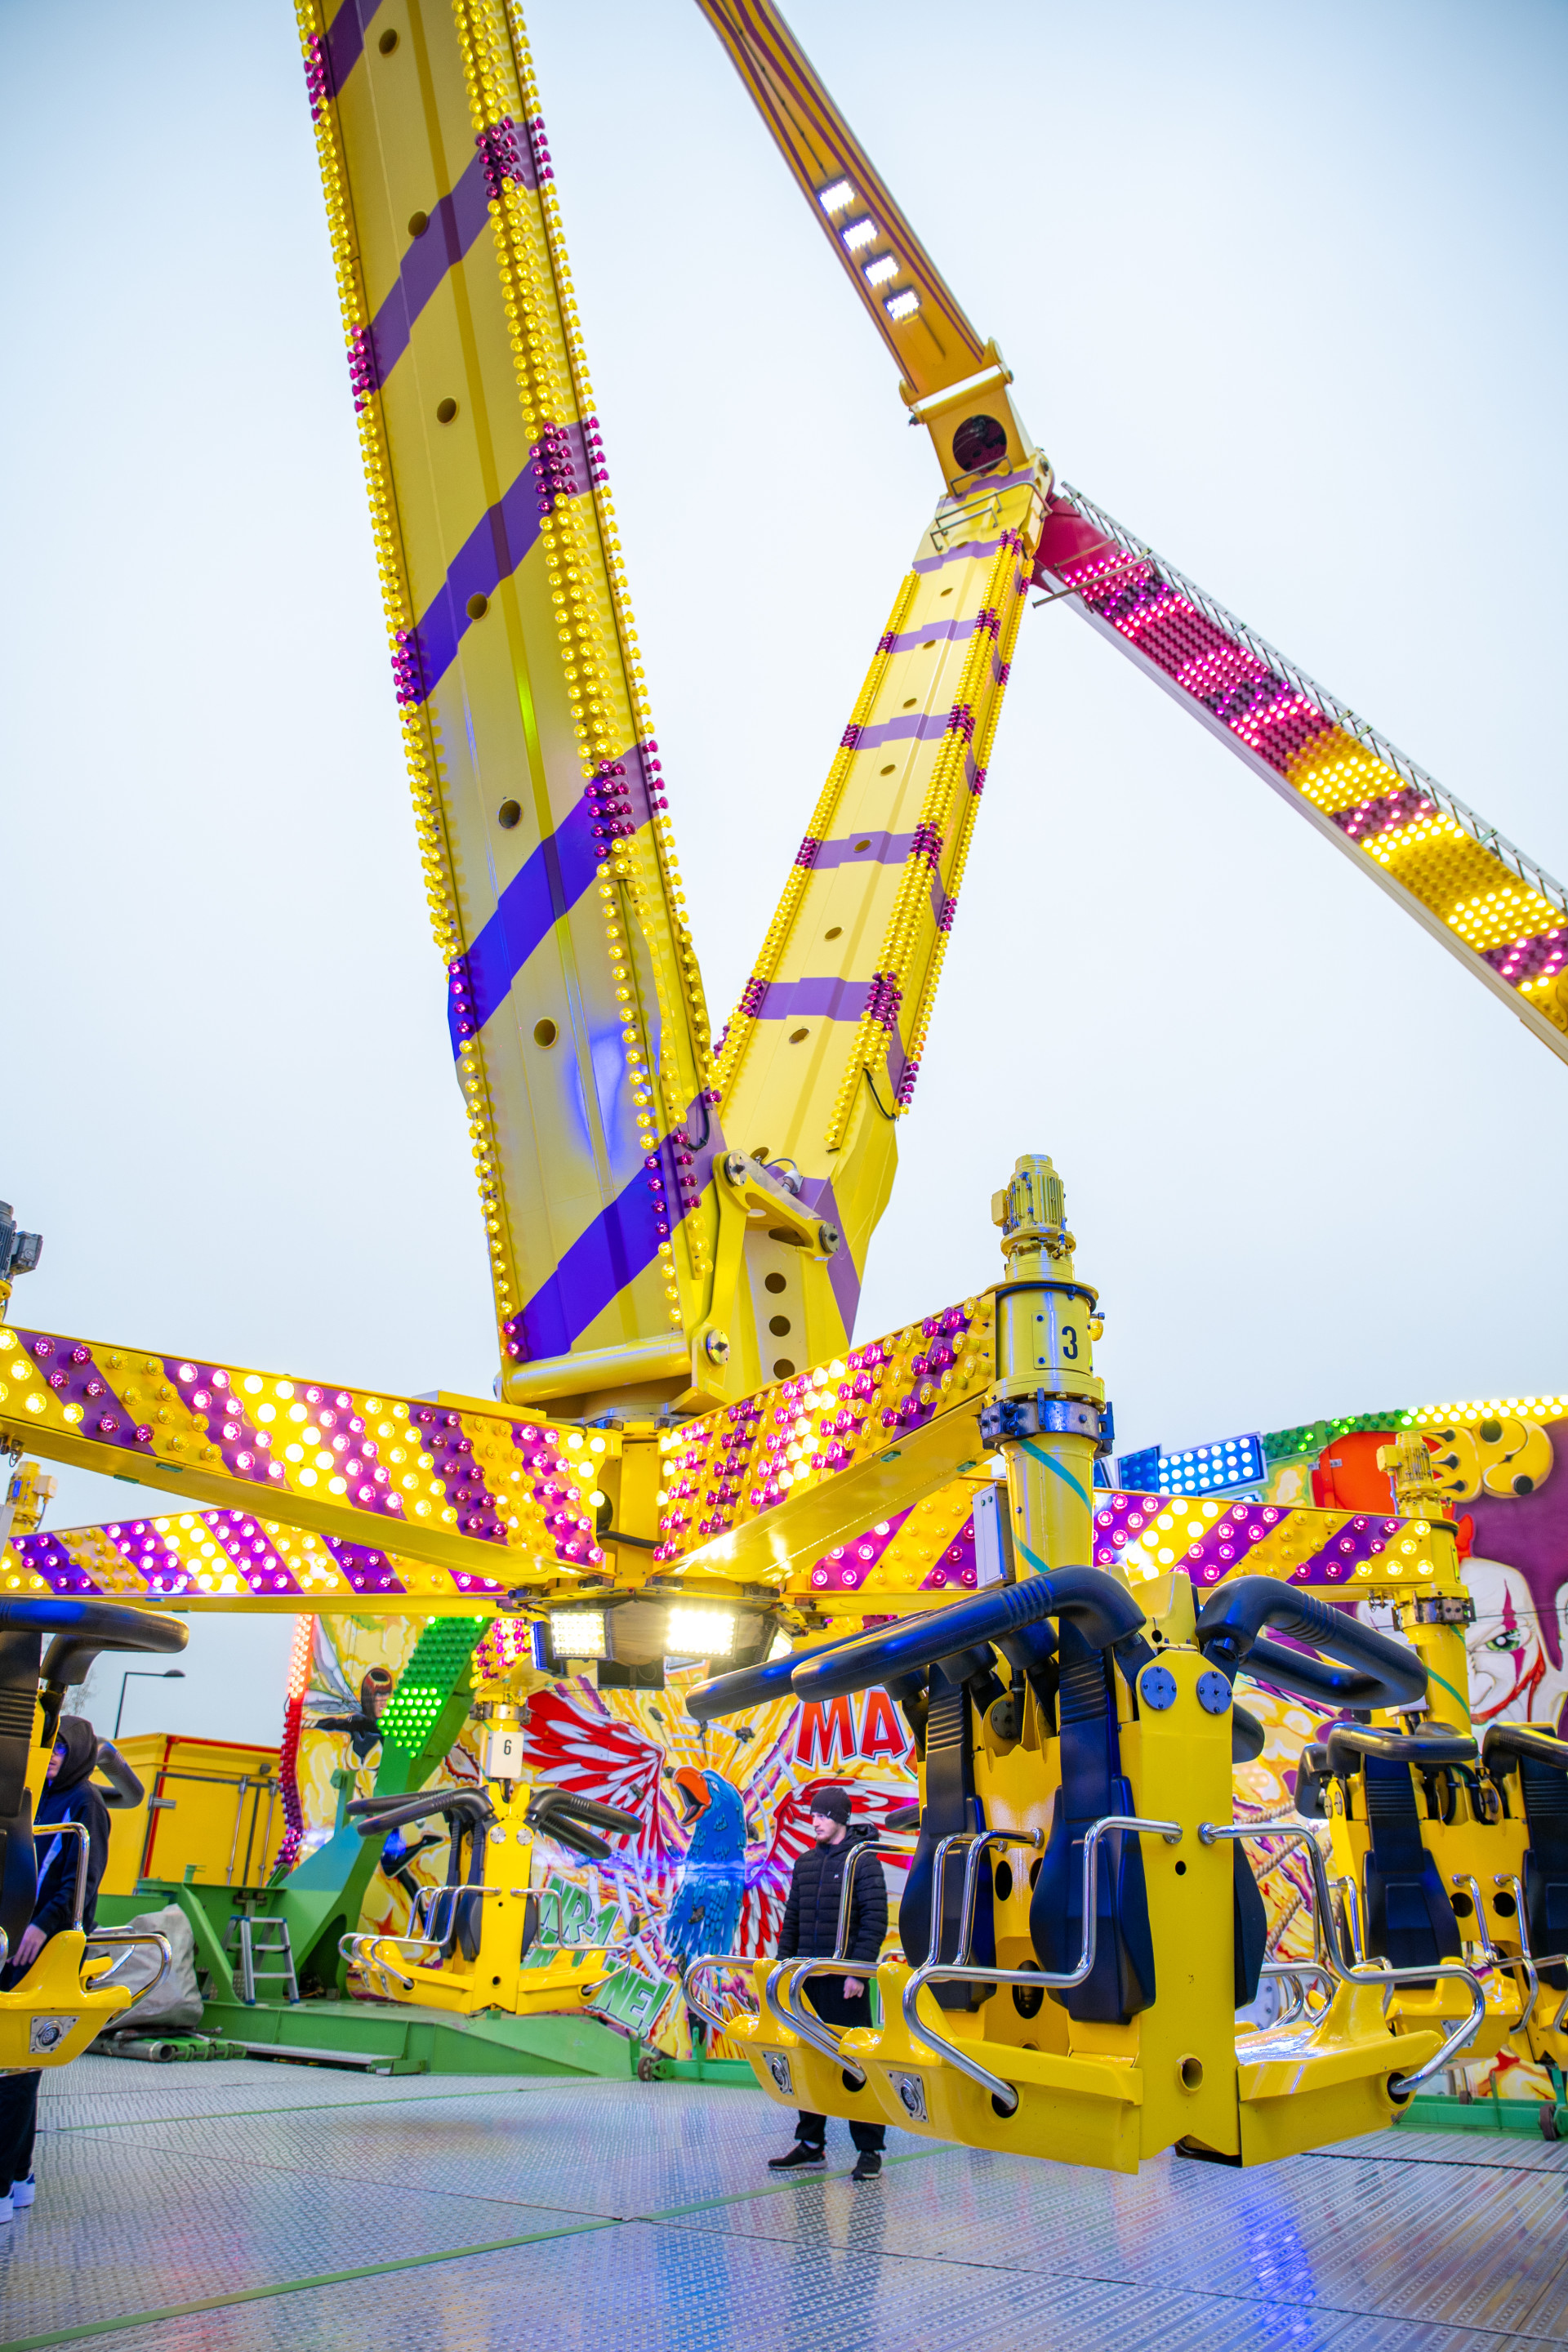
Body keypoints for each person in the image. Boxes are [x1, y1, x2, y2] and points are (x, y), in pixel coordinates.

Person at [0, 1716, 112, 2225]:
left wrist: (42, 1927)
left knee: (15, 2066)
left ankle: (4, 2184)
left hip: (49, 1944)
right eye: (50, 1749)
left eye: (61, 1751)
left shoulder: (86, 1802)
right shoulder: (37, 1799)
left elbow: (81, 1881)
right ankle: (19, 2175)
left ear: (80, 1754)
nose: (52, 1759)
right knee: (15, 2064)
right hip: (17, 1937)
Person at [768, 1785, 889, 2182]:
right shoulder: (805, 1864)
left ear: (840, 1817)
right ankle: (811, 2143)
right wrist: (783, 1971)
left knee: (856, 2062)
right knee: (808, 2060)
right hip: (807, 1981)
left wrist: (857, 1971)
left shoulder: (863, 1861)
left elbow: (874, 1919)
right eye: (813, 1816)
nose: (815, 1822)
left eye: (821, 1815)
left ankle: (869, 2149)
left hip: (844, 1983)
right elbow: (793, 1920)